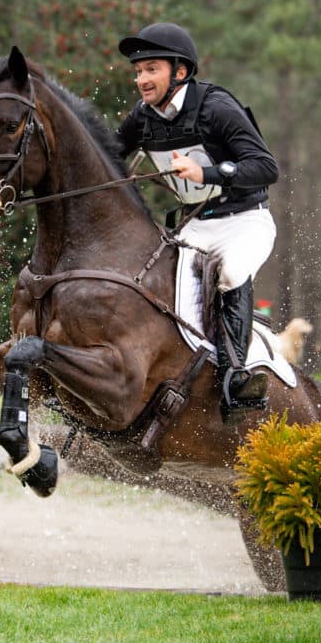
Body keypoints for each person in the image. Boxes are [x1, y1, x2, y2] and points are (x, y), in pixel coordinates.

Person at [115, 21, 277, 415]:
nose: (141, 79)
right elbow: (108, 156)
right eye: (138, 71)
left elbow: (265, 167)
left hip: (243, 220)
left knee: (231, 271)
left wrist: (207, 173)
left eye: (151, 69)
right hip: (195, 224)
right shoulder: (143, 117)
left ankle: (236, 378)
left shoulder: (216, 107)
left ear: (180, 72)